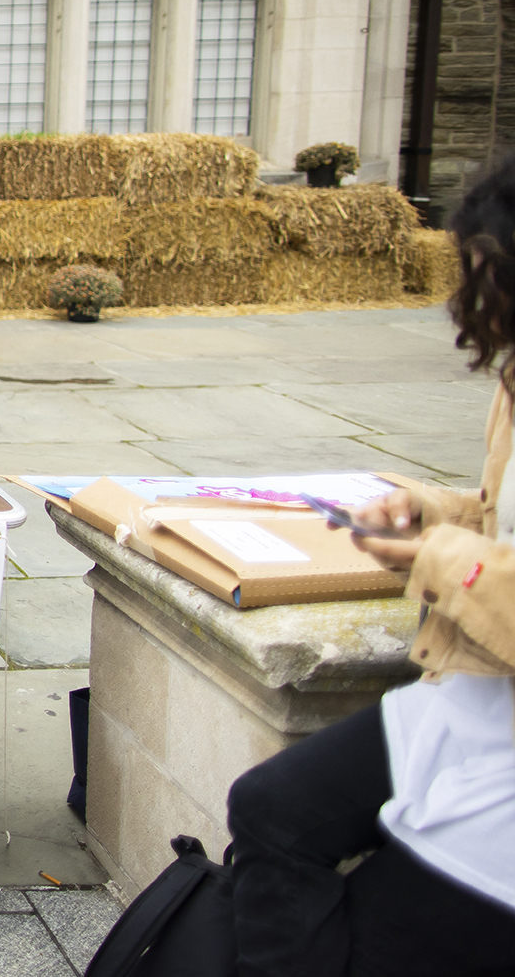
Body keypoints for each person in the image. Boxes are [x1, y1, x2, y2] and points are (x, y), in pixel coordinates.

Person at [223, 153, 515, 977]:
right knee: (271, 807)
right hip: (477, 691)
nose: (469, 294)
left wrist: (439, 556)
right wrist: (435, 510)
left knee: (380, 927)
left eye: (486, 270)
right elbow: (501, 518)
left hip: (497, 773)